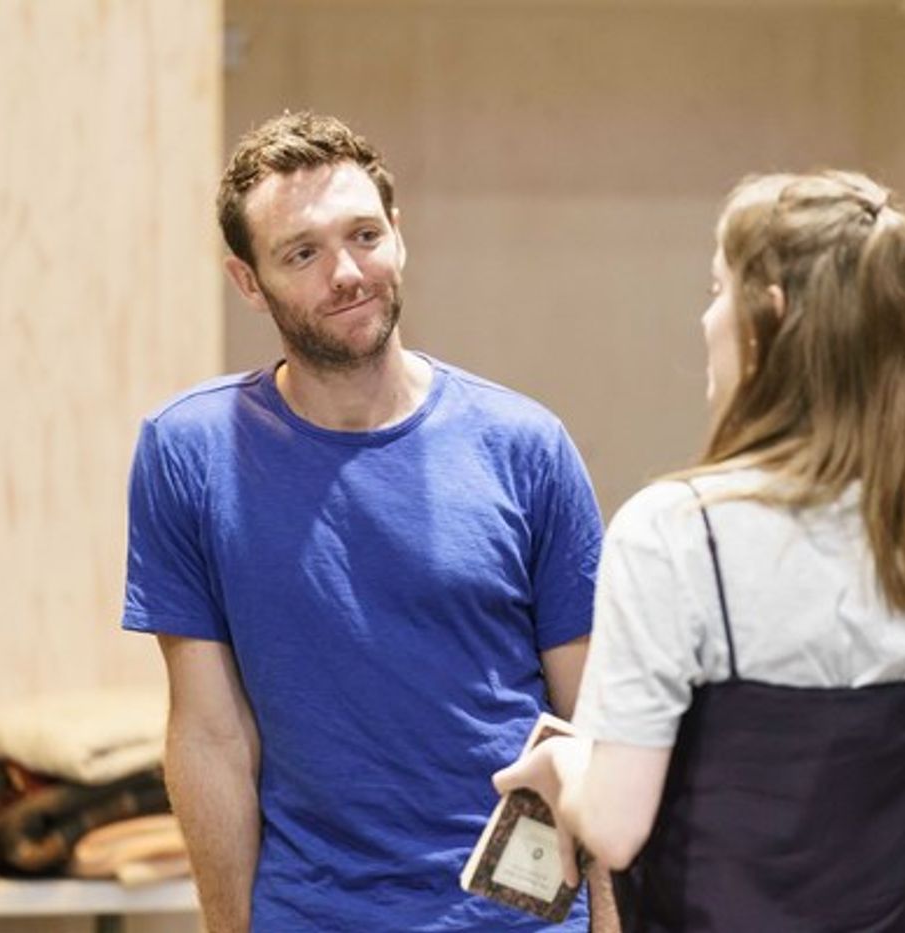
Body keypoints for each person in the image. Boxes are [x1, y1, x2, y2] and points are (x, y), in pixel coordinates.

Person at [494, 171, 905, 932]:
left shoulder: (674, 531)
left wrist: (563, 766)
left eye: (717, 288)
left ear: (770, 315)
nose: (706, 318)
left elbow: (614, 824)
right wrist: (899, 347)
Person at [121, 112, 606, 932]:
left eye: (365, 235)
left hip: (516, 917)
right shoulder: (189, 453)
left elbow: (596, 726)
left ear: (399, 236)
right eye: (302, 253)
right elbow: (209, 735)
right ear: (248, 281)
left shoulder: (525, 444)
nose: (346, 272)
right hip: (310, 913)